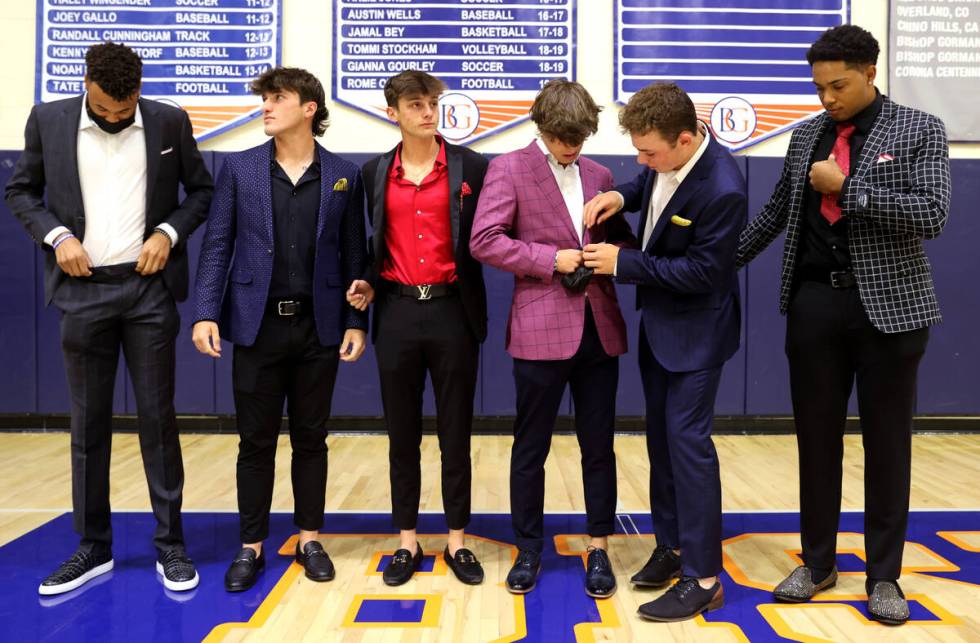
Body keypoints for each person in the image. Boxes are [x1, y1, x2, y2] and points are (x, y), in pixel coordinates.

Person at [734, 25, 949, 625]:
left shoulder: (920, 128)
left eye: (838, 85)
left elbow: (932, 213)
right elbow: (777, 212)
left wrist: (848, 189)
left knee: (888, 447)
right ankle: (819, 561)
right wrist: (710, 266)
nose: (827, 98)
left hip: (892, 313)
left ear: (870, 72)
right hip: (814, 308)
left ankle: (884, 577)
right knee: (816, 442)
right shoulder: (805, 136)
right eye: (819, 87)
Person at [4, 42, 212, 595]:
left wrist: (168, 234)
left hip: (148, 292)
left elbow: (201, 192)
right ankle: (92, 547)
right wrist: (57, 235)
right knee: (88, 424)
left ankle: (171, 546)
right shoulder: (48, 120)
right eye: (105, 109)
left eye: (126, 109)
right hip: (81, 290)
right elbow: (21, 190)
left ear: (139, 90)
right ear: (87, 85)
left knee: (158, 423)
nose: (116, 118)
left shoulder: (169, 121)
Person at [191, 67, 368, 592]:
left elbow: (356, 252)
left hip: (319, 327)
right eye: (265, 99)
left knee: (312, 439)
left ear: (309, 107)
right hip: (255, 326)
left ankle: (309, 538)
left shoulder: (343, 174)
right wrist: (205, 311)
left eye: (278, 99)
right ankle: (251, 547)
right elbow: (217, 245)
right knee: (255, 442)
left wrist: (357, 319)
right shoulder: (240, 169)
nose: (267, 107)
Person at [582, 82, 747, 621]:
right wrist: (622, 194)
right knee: (662, 442)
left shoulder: (724, 187)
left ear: (685, 137)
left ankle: (703, 577)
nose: (641, 159)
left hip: (697, 336)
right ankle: (672, 546)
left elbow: (704, 272)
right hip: (660, 329)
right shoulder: (666, 160)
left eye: (649, 151)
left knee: (688, 447)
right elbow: (651, 184)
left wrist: (622, 264)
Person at [470, 79, 633, 598]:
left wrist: (614, 241)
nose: (573, 147)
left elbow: (617, 240)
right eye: (565, 138)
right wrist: (549, 259)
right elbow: (484, 240)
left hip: (598, 327)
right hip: (540, 328)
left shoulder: (601, 174)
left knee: (599, 446)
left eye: (581, 139)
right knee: (530, 446)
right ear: (540, 125)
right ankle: (529, 548)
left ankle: (599, 547)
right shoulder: (508, 168)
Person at [345, 70, 488, 586]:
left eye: (432, 103)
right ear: (393, 113)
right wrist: (363, 286)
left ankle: (457, 540)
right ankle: (406, 539)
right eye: (415, 105)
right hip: (398, 311)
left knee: (456, 431)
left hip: (453, 309)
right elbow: (368, 245)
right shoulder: (374, 173)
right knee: (401, 433)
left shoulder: (473, 166)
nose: (428, 113)